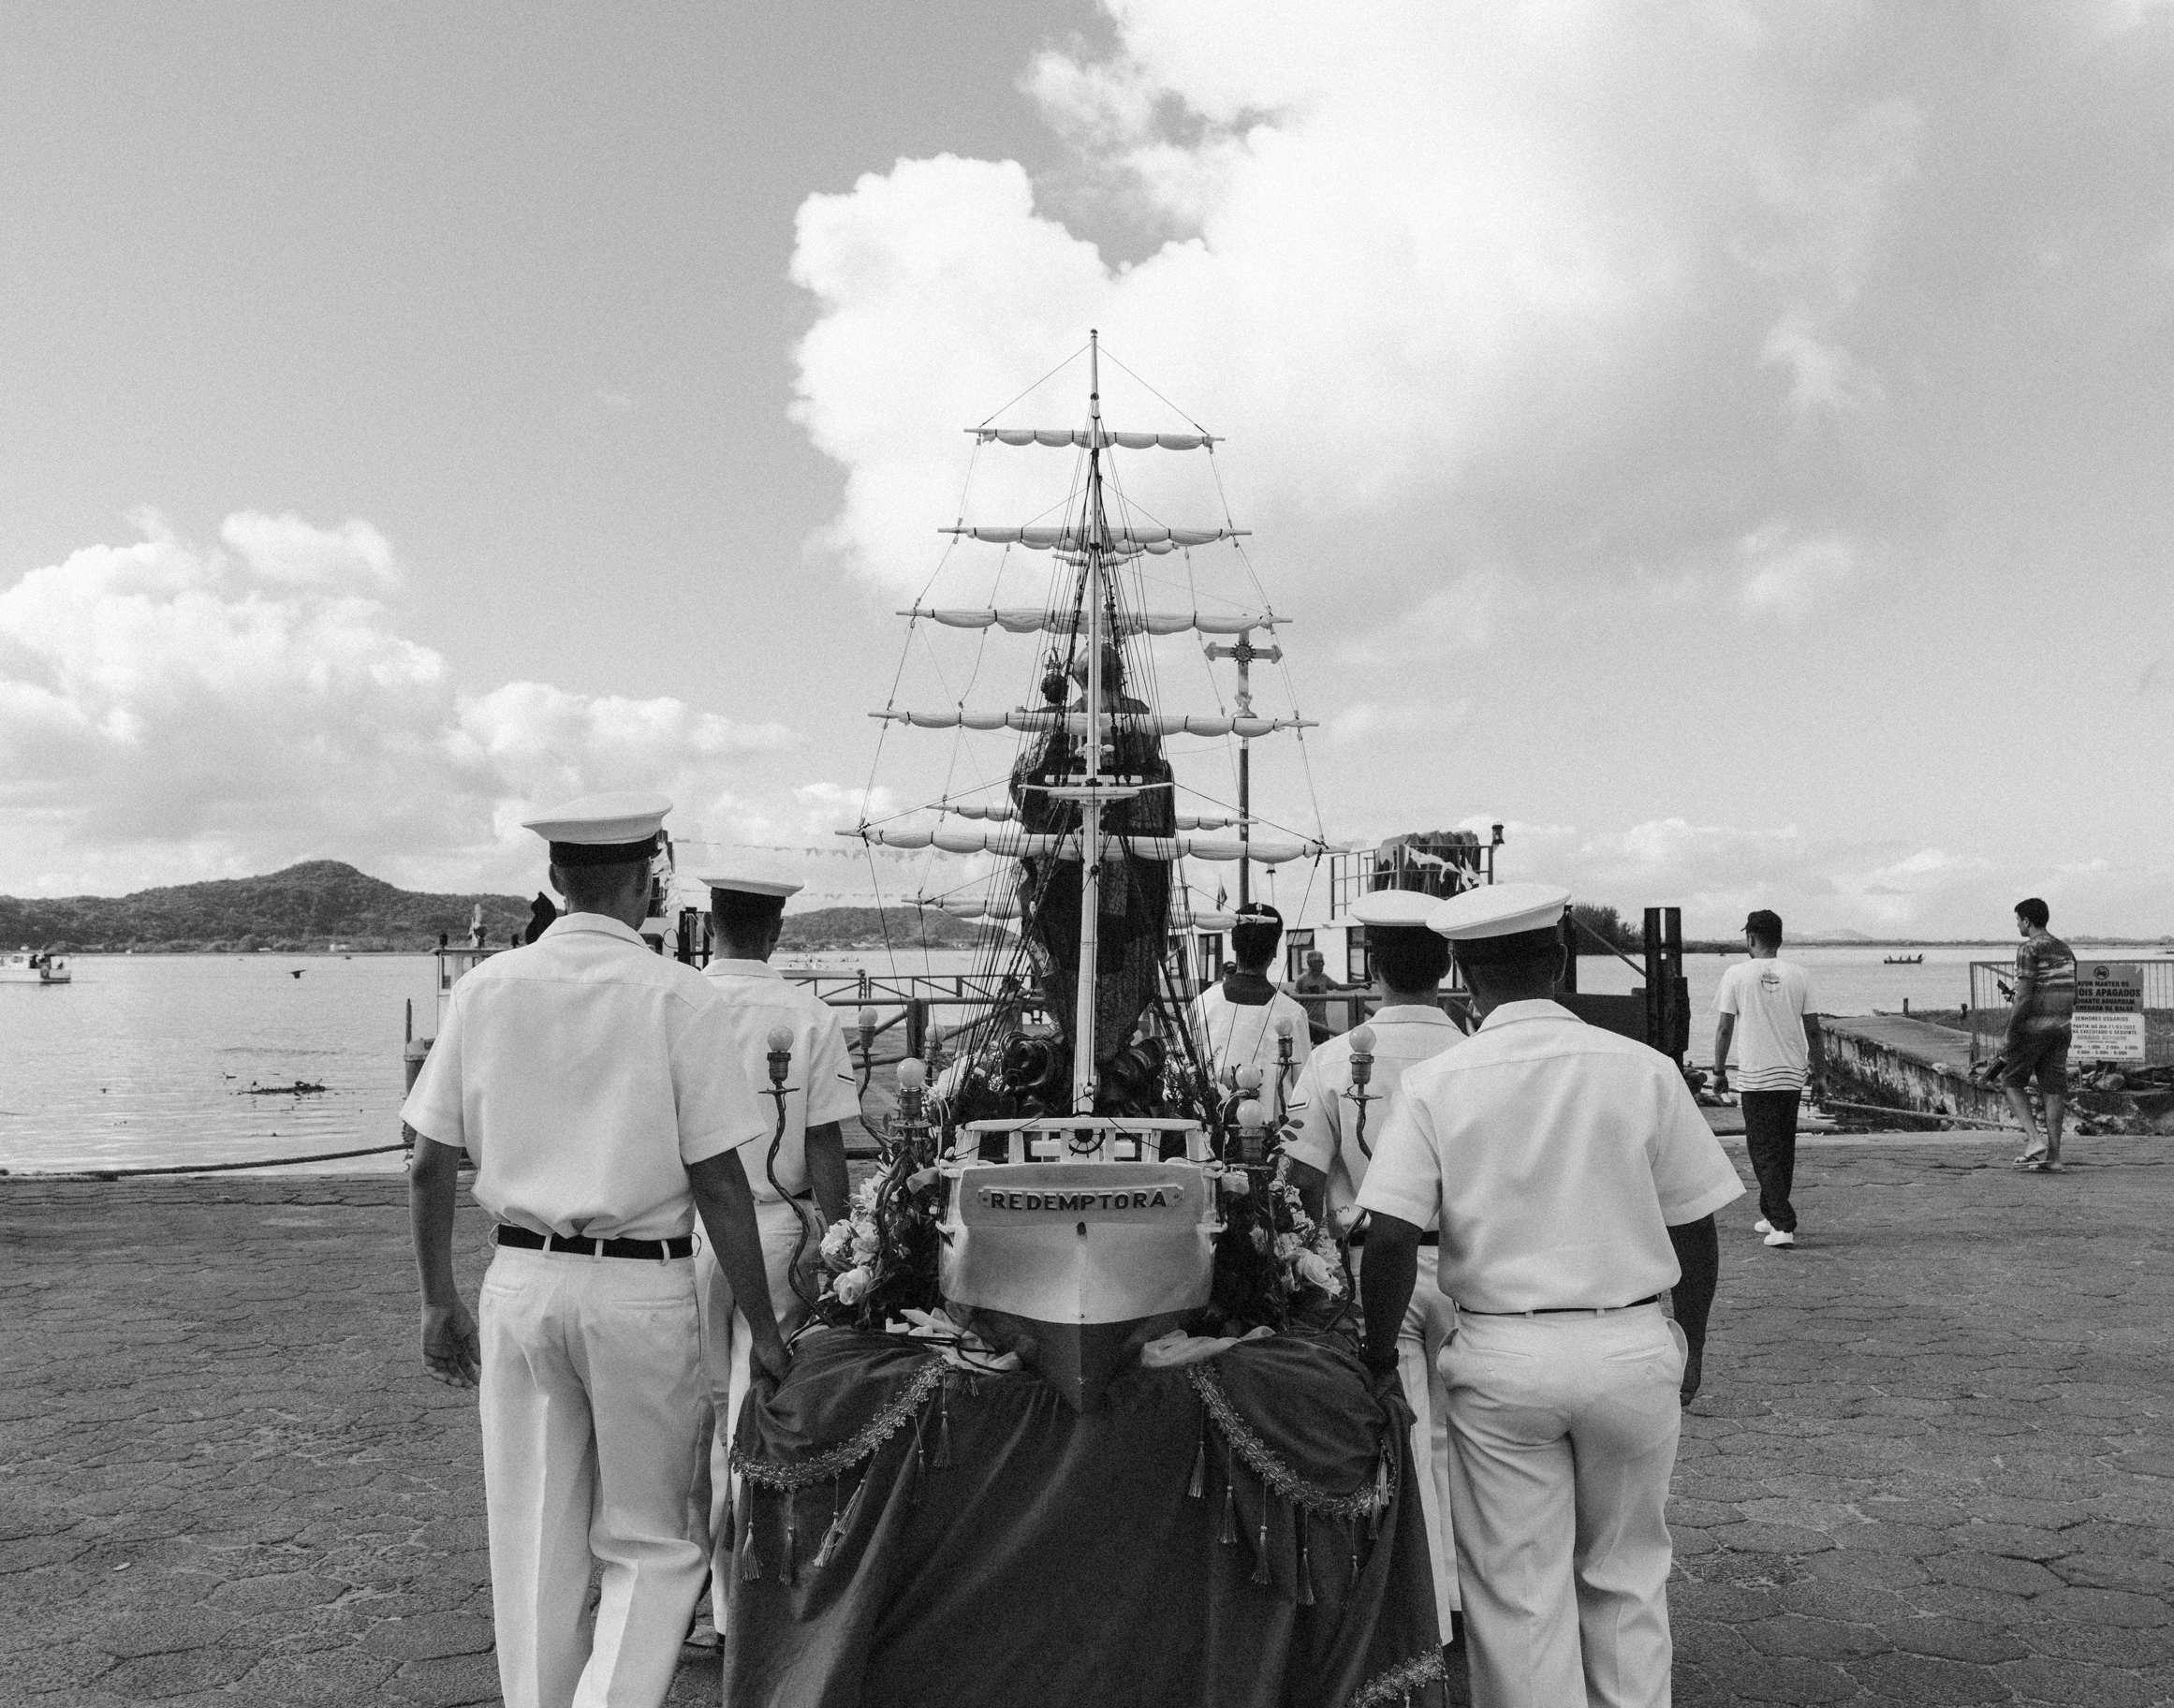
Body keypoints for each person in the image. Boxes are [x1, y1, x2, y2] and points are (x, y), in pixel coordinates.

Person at [403, 792, 784, 1708]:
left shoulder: (486, 988)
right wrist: (765, 1330)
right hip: (640, 1289)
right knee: (653, 1544)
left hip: (520, 1278)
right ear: (652, 876)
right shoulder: (681, 997)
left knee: (534, 1535)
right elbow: (722, 1183)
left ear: (555, 877)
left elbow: (428, 1163)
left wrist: (434, 1299)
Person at [1357, 881, 1745, 1708]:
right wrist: (1693, 1342)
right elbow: (1696, 1225)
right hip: (1631, 1344)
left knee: (1519, 1591)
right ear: (1559, 961)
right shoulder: (1643, 1070)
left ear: (1462, 972)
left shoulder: (1437, 1082)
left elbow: (1391, 1236)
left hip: (1503, 1356)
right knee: (1630, 1575)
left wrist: (1374, 1352)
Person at [1281, 888, 1465, 1642]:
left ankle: (1426, 1608)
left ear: (1373, 967)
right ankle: (1489, 1601)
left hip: (1372, 1267)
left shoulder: (1331, 1060)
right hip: (1477, 1265)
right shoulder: (1477, 1057)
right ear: (1447, 964)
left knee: (1410, 1437)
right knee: (1487, 1445)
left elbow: (1296, 1184)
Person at [690, 863, 859, 1608]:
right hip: (775, 1226)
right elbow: (825, 1144)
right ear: (776, 929)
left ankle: (689, 1591)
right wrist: (842, 1242)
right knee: (754, 1410)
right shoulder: (809, 1013)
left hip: (681, 1226)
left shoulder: (678, 1000)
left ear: (709, 920)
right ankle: (739, 1601)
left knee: (686, 1411)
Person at [1711, 909, 1823, 1249]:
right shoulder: (1800, 974)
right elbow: (1814, 1031)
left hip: (1757, 1076)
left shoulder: (1735, 974)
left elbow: (1724, 1028)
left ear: (1750, 938)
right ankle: (1769, 1211)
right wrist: (1819, 1072)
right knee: (1782, 1148)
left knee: (1762, 1150)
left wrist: (1718, 1072)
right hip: (1791, 1075)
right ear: (1781, 939)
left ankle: (1783, 1224)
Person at [1189, 902, 1315, 1112]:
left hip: (1204, 1135)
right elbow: (1304, 1090)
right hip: (1273, 1138)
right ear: (1275, 950)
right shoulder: (1292, 1014)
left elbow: (1179, 1077)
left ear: (1233, 945)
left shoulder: (1203, 1004)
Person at [2002, 896, 2076, 1171]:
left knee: (2010, 1079)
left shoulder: (2028, 949)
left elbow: (2023, 997)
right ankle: (2054, 1158)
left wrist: (2010, 1032)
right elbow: (2072, 991)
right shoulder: (2065, 949)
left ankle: (2034, 1139)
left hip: (2034, 1029)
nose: (2017, 925)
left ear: (2027, 921)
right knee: (2054, 1089)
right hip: (2061, 1028)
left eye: (2018, 920)